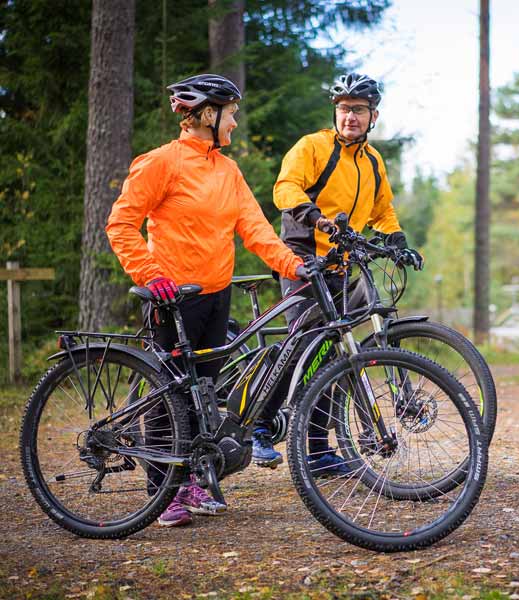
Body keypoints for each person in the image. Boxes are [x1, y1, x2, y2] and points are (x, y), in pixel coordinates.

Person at [106, 74, 304, 527]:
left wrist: (295, 266)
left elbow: (255, 229)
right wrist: (150, 275)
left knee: (204, 392)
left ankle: (192, 478)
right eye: (230, 112)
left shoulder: (227, 170)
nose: (235, 120)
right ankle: (163, 493)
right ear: (207, 115)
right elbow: (121, 224)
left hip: (216, 295)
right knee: (167, 396)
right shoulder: (161, 163)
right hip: (172, 298)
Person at [249, 73, 423, 475]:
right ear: (335, 112)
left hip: (340, 266)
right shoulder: (313, 147)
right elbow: (286, 188)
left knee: (333, 355)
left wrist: (397, 240)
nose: (350, 117)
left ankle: (317, 451)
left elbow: (382, 210)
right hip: (302, 258)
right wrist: (316, 218)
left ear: (373, 115)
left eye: (358, 110)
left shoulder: (372, 161)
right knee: (304, 346)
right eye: (344, 109)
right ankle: (259, 426)